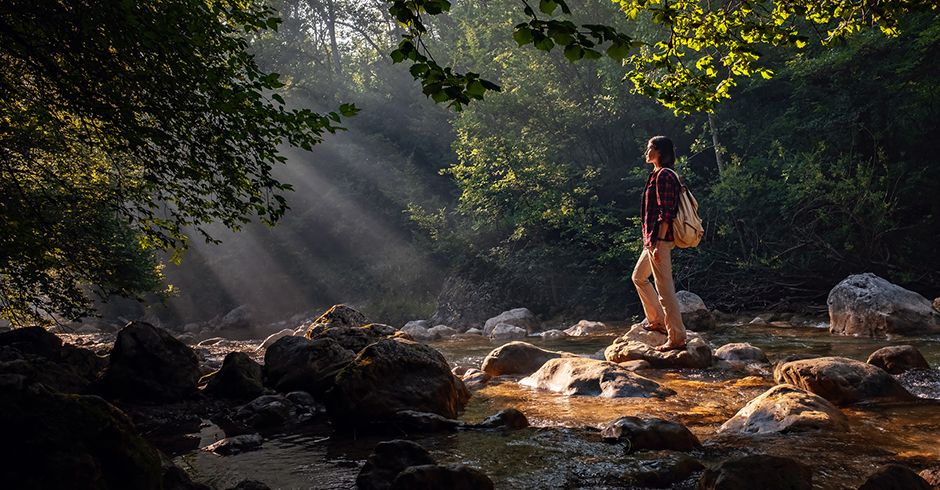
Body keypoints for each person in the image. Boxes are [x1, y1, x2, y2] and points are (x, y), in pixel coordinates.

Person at [632, 135, 687, 351]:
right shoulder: (656, 174)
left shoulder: (664, 175)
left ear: (660, 152)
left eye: (649, 149)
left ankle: (677, 337)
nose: (646, 153)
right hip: (652, 240)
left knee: (665, 289)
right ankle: (658, 321)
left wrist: (658, 243)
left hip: (659, 240)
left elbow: (667, 212)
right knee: (638, 277)